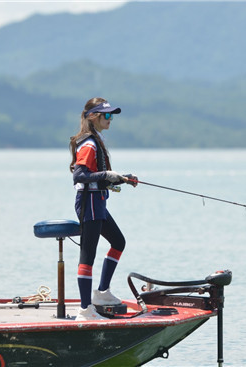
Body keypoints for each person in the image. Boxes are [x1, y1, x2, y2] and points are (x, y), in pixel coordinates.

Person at [69, 97, 137, 321]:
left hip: (97, 201)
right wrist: (107, 175)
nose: (110, 119)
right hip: (89, 202)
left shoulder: (96, 141)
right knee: (87, 256)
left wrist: (123, 179)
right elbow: (80, 176)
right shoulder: (88, 144)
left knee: (118, 242)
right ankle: (85, 310)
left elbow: (97, 176)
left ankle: (102, 293)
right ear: (93, 116)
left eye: (112, 115)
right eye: (107, 115)